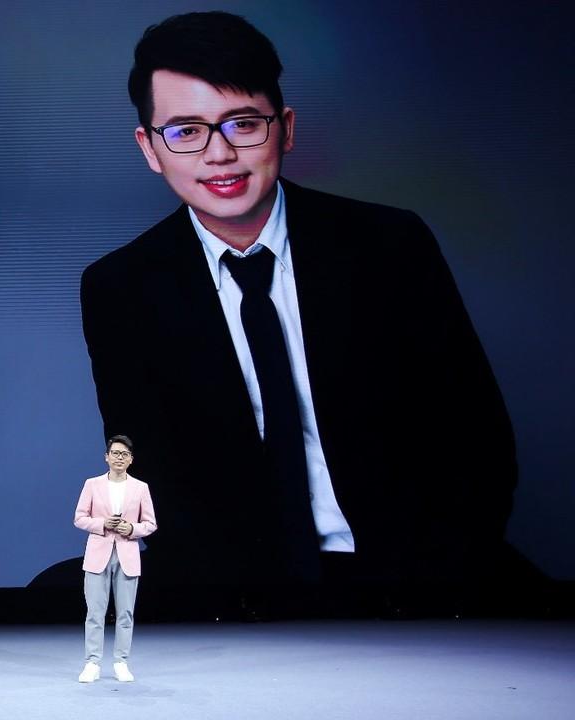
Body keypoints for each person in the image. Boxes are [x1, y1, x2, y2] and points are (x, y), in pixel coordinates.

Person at [74, 11, 521, 601]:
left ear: (285, 128)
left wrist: (427, 586)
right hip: (241, 592)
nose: (219, 154)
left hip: (414, 575)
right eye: (185, 131)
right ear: (150, 149)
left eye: (243, 124)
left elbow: (479, 442)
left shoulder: (390, 246)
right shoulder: (121, 287)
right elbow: (151, 480)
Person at [74, 435, 157, 682]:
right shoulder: (92, 484)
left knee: (125, 613)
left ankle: (121, 662)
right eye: (115, 453)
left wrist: (132, 528)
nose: (119, 457)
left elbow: (150, 523)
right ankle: (92, 663)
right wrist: (102, 523)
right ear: (106, 457)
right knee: (95, 612)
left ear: (131, 459)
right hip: (98, 554)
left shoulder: (141, 488)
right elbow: (79, 518)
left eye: (124, 454)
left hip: (127, 554)